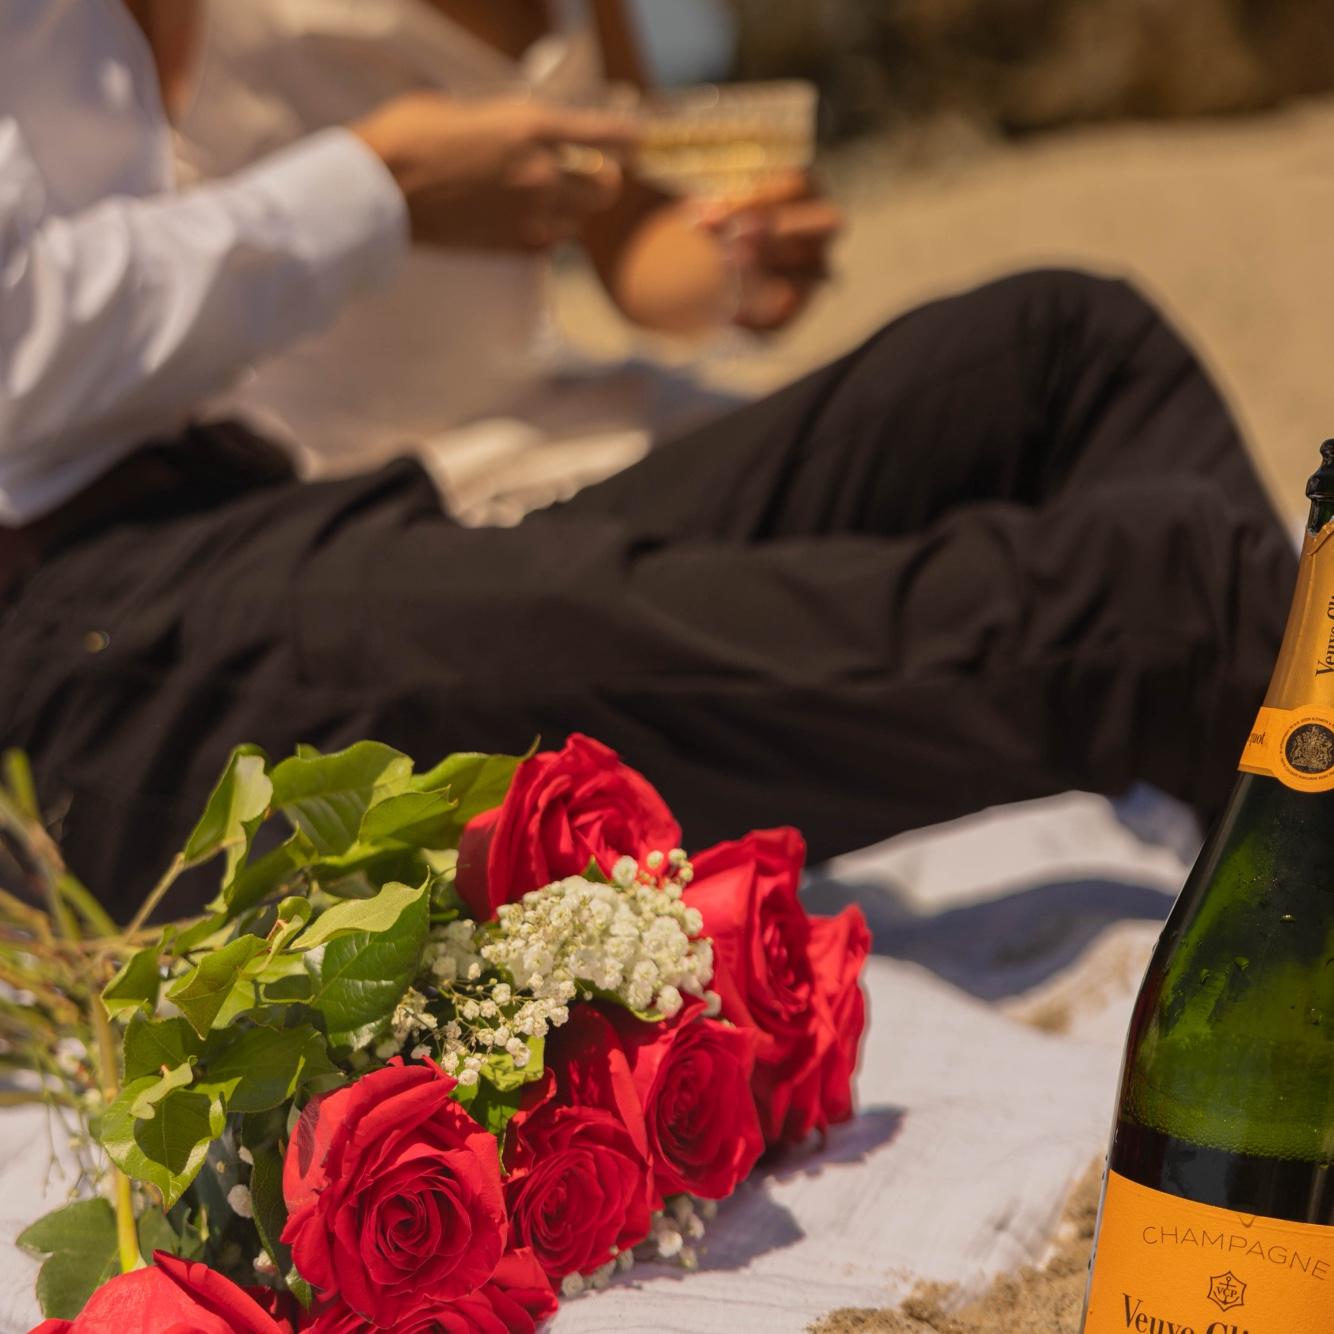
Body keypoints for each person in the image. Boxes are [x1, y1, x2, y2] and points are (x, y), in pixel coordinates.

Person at [0, 0, 1296, 921]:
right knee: (1146, 607)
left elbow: (630, 224)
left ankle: (1266, 872)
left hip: (251, 497)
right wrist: (379, 187)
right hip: (92, 604)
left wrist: (727, 262)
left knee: (1070, 348)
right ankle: (1273, 949)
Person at [174, 0, 843, 523]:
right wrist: (379, 188)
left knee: (881, 438)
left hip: (541, 419)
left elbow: (631, 225)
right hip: (324, 480)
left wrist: (741, 261)